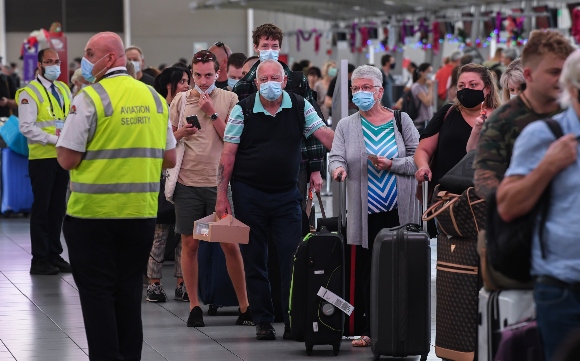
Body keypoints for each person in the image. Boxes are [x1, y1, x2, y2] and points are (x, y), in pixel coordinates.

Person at [56, 31, 176, 361]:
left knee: (97, 298)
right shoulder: (153, 98)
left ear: (109, 58)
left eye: (89, 53)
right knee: (127, 296)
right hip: (139, 215)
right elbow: (170, 158)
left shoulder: (89, 98)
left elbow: (67, 158)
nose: (85, 60)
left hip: (92, 216)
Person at [217, 59, 335, 340]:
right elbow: (228, 155)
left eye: (275, 78)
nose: (270, 83)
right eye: (263, 79)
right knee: (255, 257)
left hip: (286, 194)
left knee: (292, 257)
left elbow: (325, 136)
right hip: (249, 193)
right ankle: (263, 319)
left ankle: (293, 317)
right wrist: (222, 195)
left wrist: (354, 147)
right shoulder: (242, 109)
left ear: (284, 81)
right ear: (256, 83)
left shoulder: (299, 105)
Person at [495, 49, 580, 361]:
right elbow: (507, 205)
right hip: (564, 288)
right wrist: (547, 166)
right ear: (570, 89)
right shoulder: (545, 135)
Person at [329, 65, 421, 348]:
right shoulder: (347, 125)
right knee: (369, 272)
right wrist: (338, 170)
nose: (361, 93)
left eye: (367, 87)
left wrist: (392, 165)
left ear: (380, 91)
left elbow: (419, 159)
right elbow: (336, 156)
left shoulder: (401, 120)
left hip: (399, 209)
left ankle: (402, 327)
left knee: (400, 269)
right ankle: (370, 329)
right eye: (356, 88)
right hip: (364, 211)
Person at [169, 50, 252, 328]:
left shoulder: (230, 98)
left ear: (219, 74)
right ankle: (194, 306)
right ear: (192, 74)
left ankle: (244, 305)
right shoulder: (181, 100)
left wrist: (211, 112)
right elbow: (168, 137)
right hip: (187, 184)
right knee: (190, 244)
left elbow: (232, 136)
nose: (203, 81)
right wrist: (181, 132)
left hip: (218, 185)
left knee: (229, 243)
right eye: (198, 75)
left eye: (208, 75)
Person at [473, 29, 575, 203]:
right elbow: (484, 180)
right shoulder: (502, 120)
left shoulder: (572, 112)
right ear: (529, 75)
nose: (561, 79)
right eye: (553, 72)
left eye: (564, 72)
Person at [232, 23, 327, 201]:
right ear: (256, 48)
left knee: (293, 218)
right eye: (265, 46)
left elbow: (314, 128)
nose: (270, 50)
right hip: (254, 169)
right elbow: (235, 134)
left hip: (296, 164)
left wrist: (315, 168)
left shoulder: (297, 82)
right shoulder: (243, 87)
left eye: (274, 46)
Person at [16, 48, 73, 275]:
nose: (54, 66)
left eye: (57, 61)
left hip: (62, 156)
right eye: (49, 62)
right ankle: (39, 259)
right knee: (42, 208)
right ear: (39, 65)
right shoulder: (28, 92)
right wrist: (54, 139)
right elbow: (26, 127)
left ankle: (54, 254)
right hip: (42, 157)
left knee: (58, 208)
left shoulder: (63, 88)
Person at [146, 66, 192, 303]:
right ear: (168, 85)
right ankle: (154, 283)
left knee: (183, 233)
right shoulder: (158, 108)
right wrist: (182, 132)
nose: (186, 85)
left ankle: (182, 283)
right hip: (161, 176)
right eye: (182, 81)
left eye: (187, 81)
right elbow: (157, 142)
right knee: (160, 233)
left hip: (186, 177)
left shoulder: (189, 106)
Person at [415, 64, 501, 187]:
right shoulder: (447, 112)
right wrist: (423, 166)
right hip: (444, 196)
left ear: (487, 89)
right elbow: (423, 149)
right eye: (461, 86)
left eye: (473, 85)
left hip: (485, 196)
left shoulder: (501, 117)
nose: (466, 89)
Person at [410, 63, 435, 131]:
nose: (430, 74)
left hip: (428, 120)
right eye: (428, 72)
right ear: (422, 73)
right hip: (421, 123)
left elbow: (432, 102)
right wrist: (430, 88)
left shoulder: (424, 86)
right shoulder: (417, 86)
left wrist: (431, 88)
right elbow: (427, 102)